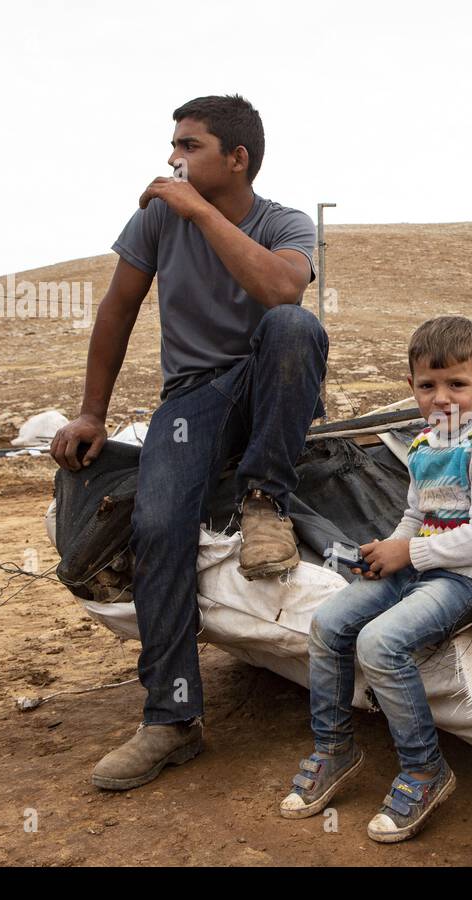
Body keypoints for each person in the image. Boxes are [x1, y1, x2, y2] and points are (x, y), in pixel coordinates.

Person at [49, 93, 326, 791]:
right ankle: (172, 719)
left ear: (237, 158)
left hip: (267, 382)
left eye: (189, 146)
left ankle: (265, 498)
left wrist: (197, 210)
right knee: (157, 522)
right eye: (173, 145)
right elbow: (118, 307)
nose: (172, 158)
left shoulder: (284, 222)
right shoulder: (154, 220)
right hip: (193, 398)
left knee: (295, 329)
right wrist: (90, 413)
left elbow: (282, 294)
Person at [280, 315, 472, 843]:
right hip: (429, 562)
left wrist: (410, 553)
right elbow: (417, 516)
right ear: (412, 387)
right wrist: (389, 552)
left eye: (457, 384)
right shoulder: (425, 443)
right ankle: (335, 749)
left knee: (380, 642)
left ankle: (425, 770)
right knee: (329, 622)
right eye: (428, 385)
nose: (442, 398)